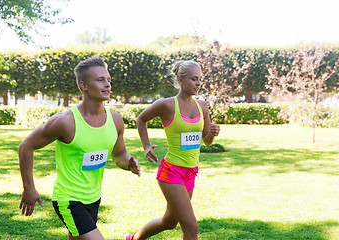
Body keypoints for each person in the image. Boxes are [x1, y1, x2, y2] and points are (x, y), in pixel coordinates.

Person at [19, 57, 141, 240]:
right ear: (83, 85)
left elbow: (119, 154)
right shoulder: (66, 122)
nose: (107, 84)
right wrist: (29, 188)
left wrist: (128, 163)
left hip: (94, 198)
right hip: (69, 200)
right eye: (100, 80)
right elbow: (26, 146)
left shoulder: (116, 120)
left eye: (108, 80)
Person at [124, 60, 220, 240]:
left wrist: (212, 133)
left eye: (200, 79)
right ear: (180, 79)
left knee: (169, 222)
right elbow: (141, 119)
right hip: (171, 172)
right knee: (191, 228)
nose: (198, 83)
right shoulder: (167, 105)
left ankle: (133, 239)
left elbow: (206, 142)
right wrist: (146, 146)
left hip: (190, 172)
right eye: (194, 79)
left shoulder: (203, 106)